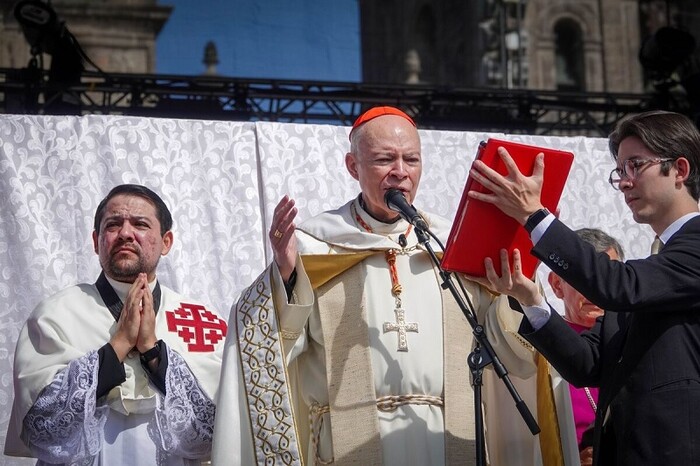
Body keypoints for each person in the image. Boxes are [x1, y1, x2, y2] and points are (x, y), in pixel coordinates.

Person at [213, 106, 562, 465]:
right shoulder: (316, 246)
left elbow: (506, 350)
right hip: (350, 444)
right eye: (385, 159)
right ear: (353, 167)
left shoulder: (447, 244)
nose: (401, 172)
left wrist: (518, 290)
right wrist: (286, 278)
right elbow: (269, 341)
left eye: (411, 159)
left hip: (446, 439)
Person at [468, 110, 700, 465]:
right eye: (620, 171)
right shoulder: (654, 272)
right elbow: (585, 364)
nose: (624, 182)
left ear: (680, 170)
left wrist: (535, 215)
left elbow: (619, 287)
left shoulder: (687, 251)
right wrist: (530, 298)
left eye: (635, 165)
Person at [4, 184, 230, 465]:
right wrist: (119, 344)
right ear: (97, 240)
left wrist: (152, 351)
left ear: (166, 241)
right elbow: (42, 426)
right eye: (113, 225)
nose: (125, 233)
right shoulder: (54, 315)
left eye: (140, 224)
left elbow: (217, 432)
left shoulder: (201, 319)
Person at [548, 228, 624, 465]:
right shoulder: (540, 345)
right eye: (582, 277)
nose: (595, 289)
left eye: (606, 276)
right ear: (557, 284)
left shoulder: (634, 339)